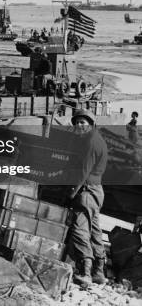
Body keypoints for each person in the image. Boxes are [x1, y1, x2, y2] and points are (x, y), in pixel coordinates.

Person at [67, 108, 108, 286]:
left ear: (91, 124)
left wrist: (71, 193)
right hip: (95, 191)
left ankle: (86, 273)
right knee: (95, 232)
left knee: (79, 229)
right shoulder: (95, 139)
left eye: (83, 122)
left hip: (87, 192)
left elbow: (83, 173)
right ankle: (99, 272)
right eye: (76, 122)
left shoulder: (91, 143)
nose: (79, 125)